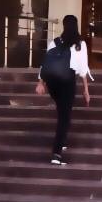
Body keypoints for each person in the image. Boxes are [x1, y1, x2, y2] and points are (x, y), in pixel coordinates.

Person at [34, 15, 92, 165]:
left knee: (62, 111)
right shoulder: (80, 44)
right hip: (67, 81)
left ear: (64, 26)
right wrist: (86, 90)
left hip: (53, 83)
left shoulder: (54, 42)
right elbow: (83, 70)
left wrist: (41, 83)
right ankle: (56, 154)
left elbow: (45, 64)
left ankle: (63, 140)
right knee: (64, 118)